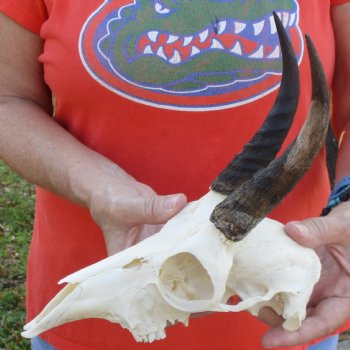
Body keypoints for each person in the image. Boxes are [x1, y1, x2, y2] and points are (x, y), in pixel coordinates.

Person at [0, 0, 349, 349]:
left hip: (296, 292)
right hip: (103, 302)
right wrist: (93, 184)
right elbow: (8, 99)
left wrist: (346, 201)